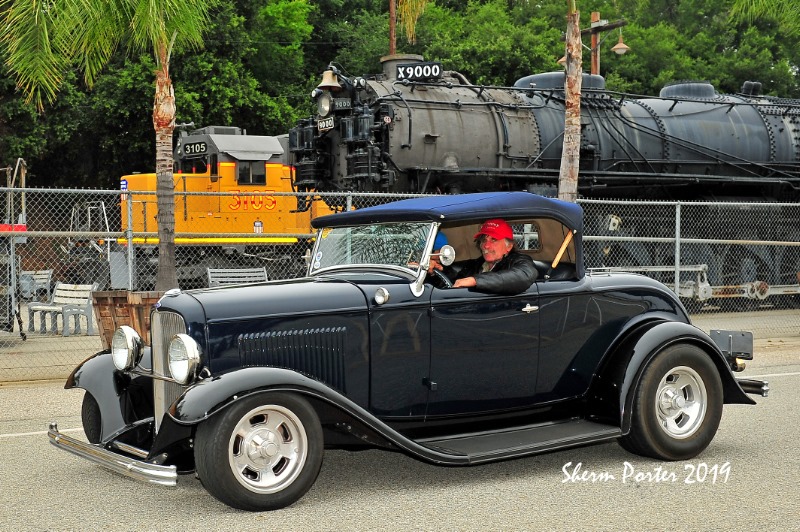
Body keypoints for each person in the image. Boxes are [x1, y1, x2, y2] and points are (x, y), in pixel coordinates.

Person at [450, 218, 537, 295]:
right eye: (484, 240)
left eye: (494, 240)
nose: (486, 246)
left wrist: (475, 280)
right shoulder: (473, 265)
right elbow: (450, 284)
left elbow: (523, 275)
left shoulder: (519, 260)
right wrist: (437, 271)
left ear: (509, 246)